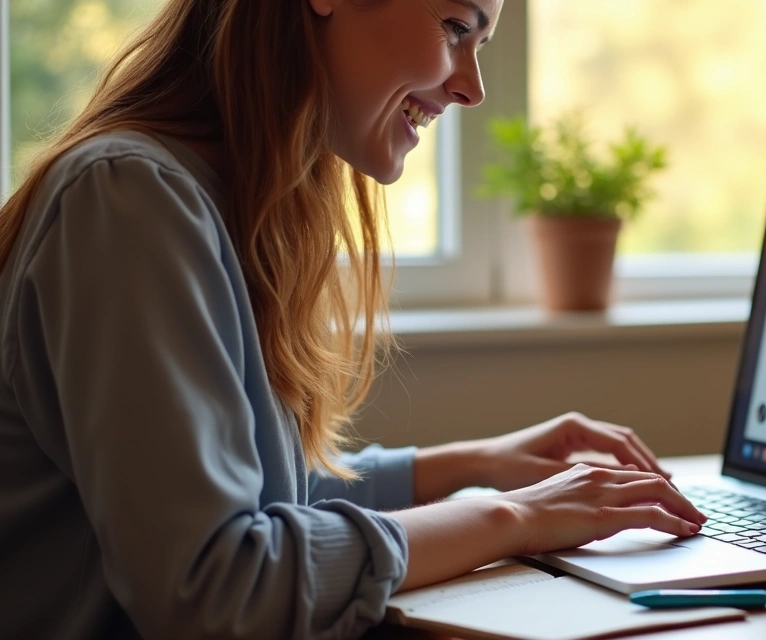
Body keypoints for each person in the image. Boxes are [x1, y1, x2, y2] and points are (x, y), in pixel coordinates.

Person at [0, 1, 706, 639]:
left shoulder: (212, 201)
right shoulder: (128, 200)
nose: (472, 88)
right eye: (456, 27)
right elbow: (216, 585)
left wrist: (466, 467)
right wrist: (514, 516)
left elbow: (255, 497)